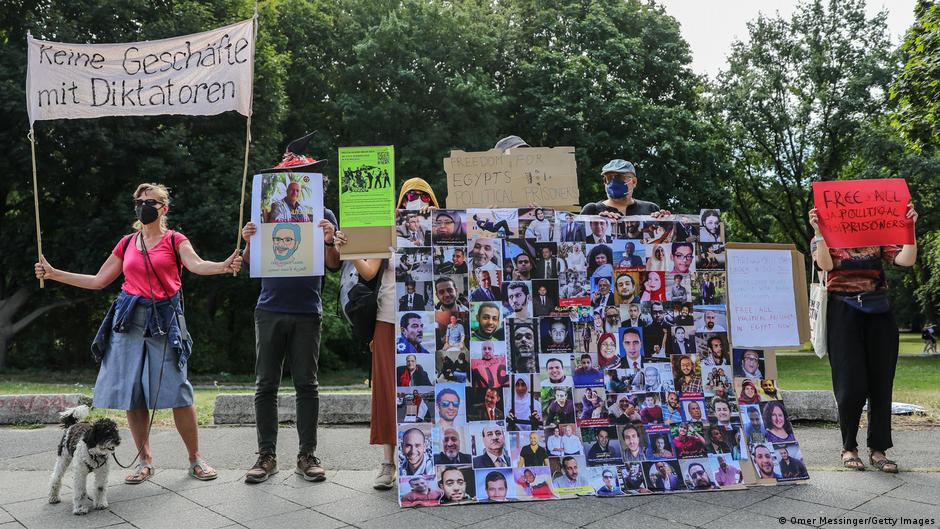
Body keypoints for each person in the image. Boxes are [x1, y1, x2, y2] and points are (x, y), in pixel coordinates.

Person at [37, 183, 242, 485]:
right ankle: (144, 462)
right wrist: (55, 273)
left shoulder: (175, 240)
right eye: (139, 201)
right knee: (134, 393)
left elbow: (197, 265)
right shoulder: (127, 243)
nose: (144, 205)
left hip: (165, 319)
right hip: (129, 320)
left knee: (179, 392)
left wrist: (224, 266)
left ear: (164, 208)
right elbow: (98, 280)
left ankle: (196, 459)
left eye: (151, 201)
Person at [334, 177, 441, 489]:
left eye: (423, 197)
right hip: (387, 321)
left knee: (424, 390)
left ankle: (426, 460)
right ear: (400, 203)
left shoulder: (443, 234)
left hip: (427, 326)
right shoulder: (390, 232)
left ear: (433, 203)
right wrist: (349, 248)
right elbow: (368, 271)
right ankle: (387, 463)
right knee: (387, 390)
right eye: (410, 197)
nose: (416, 203)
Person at [809, 204, 919, 473]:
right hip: (843, 312)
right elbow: (825, 265)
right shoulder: (823, 236)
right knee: (850, 384)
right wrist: (819, 231)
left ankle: (878, 450)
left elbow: (907, 260)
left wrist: (909, 228)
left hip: (878, 311)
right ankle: (849, 447)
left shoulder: (876, 236)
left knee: (881, 383)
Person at [579, 159, 670, 218]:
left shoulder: (651, 209)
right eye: (609, 178)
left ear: (634, 182)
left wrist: (668, 224)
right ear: (604, 182)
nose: (613, 182)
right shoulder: (592, 210)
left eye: (620, 177)